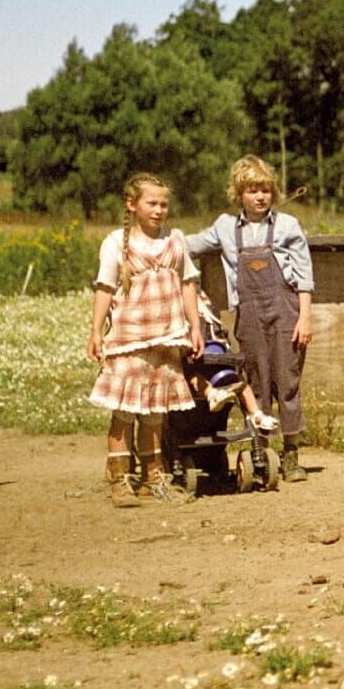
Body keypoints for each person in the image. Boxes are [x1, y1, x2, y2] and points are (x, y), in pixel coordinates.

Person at [187, 156, 315, 482]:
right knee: (256, 381)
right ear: (239, 194)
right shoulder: (225, 227)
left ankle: (291, 454)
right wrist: (156, 242)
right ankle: (262, 452)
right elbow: (189, 245)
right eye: (252, 190)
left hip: (286, 312)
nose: (259, 197)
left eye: (265, 190)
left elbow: (304, 275)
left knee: (286, 380)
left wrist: (305, 318)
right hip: (249, 315)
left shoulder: (287, 226)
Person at [88, 171, 204, 506]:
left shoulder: (176, 240)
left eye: (164, 204)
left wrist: (194, 326)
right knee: (124, 411)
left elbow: (188, 284)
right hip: (129, 340)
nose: (159, 210)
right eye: (151, 203)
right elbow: (104, 289)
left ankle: (154, 477)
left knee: (155, 412)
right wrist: (96, 331)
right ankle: (120, 479)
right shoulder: (115, 243)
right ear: (132, 204)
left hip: (166, 338)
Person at [194, 290, 280, 433]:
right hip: (195, 361)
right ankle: (212, 394)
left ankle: (256, 414)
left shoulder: (203, 301)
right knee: (193, 376)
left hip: (215, 355)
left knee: (240, 382)